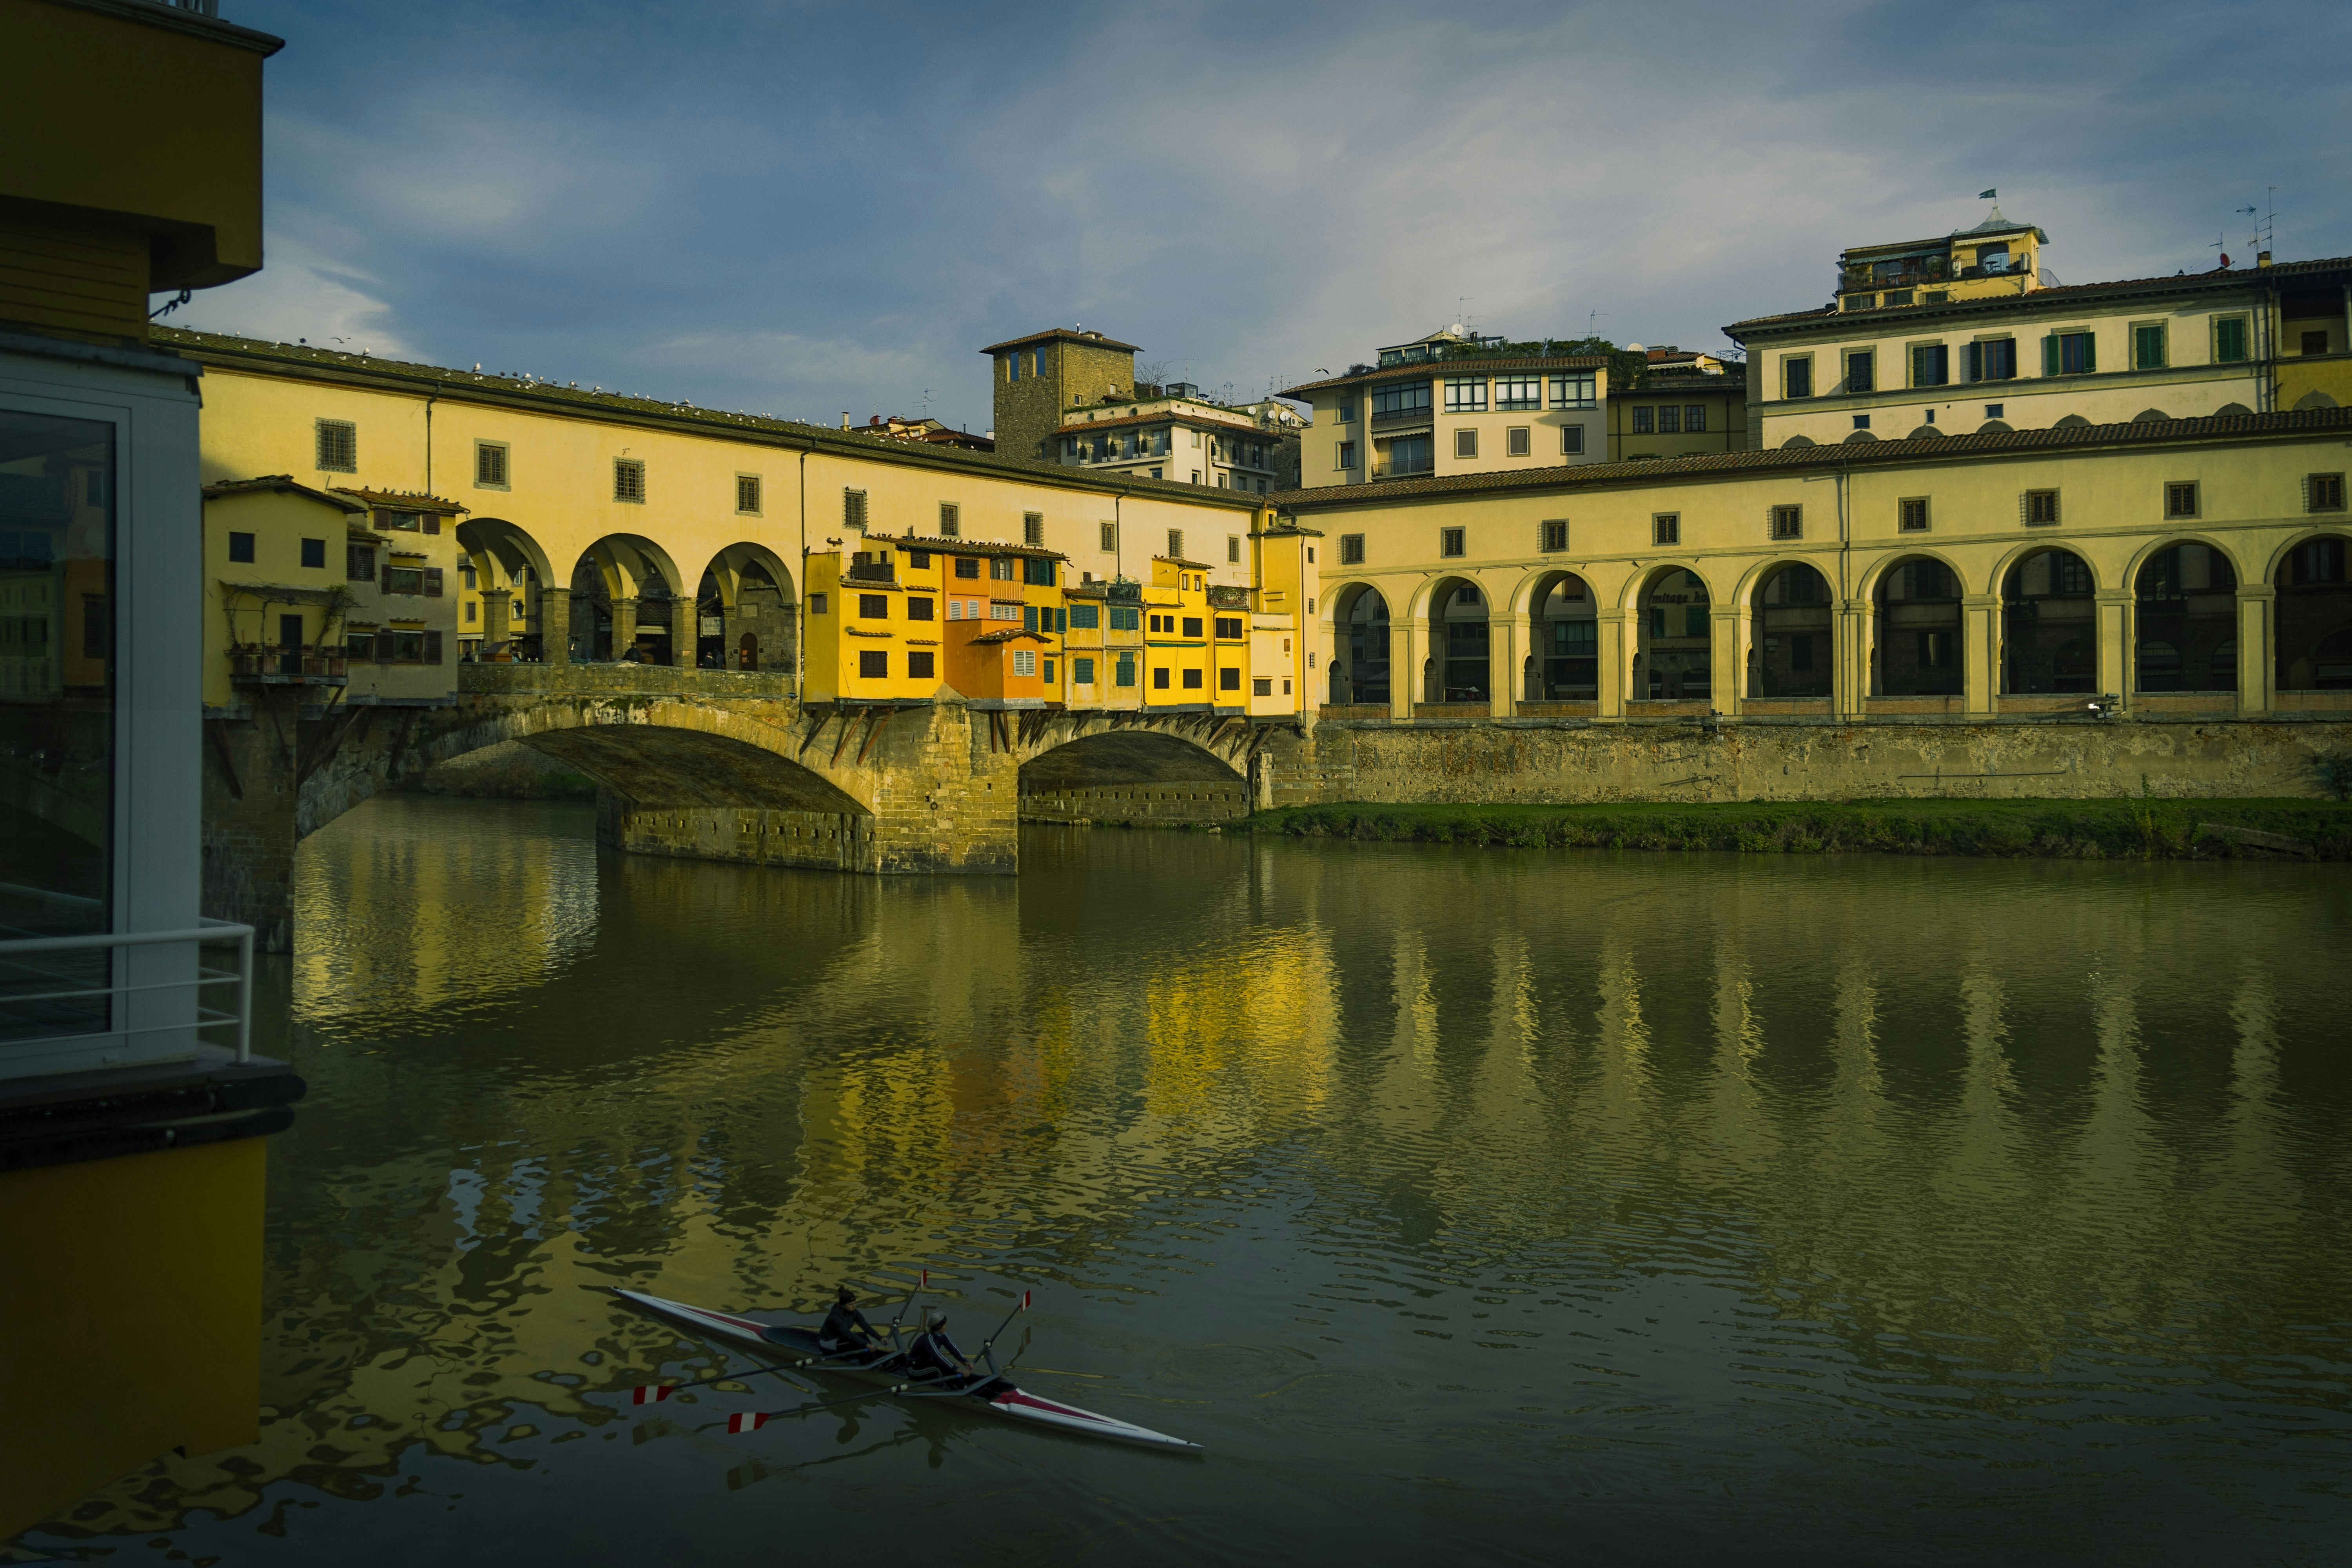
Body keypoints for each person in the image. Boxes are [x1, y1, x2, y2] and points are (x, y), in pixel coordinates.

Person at [902, 1310, 973, 1383]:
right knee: (940, 1367)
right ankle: (956, 1389)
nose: (947, 1326)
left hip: (927, 1364)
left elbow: (954, 1349)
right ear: (939, 1327)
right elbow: (939, 1357)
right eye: (945, 1325)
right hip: (914, 1369)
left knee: (945, 1366)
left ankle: (960, 1386)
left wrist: (965, 1362)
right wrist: (959, 1370)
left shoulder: (943, 1336)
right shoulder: (928, 1340)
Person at [817, 1286, 884, 1357]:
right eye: (850, 1305)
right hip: (827, 1344)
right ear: (843, 1306)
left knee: (862, 1335)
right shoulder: (835, 1317)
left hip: (841, 1340)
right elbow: (848, 1334)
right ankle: (868, 1364)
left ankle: (876, 1360)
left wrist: (880, 1338)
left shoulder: (854, 1313)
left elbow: (866, 1326)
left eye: (854, 1303)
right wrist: (866, 1344)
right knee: (856, 1342)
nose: (854, 1306)